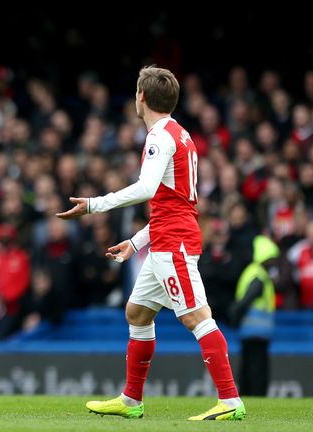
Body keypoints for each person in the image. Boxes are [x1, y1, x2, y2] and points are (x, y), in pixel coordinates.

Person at [57, 66, 245, 421]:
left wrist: (95, 205)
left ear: (141, 97)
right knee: (137, 313)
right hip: (164, 236)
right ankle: (131, 400)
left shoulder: (159, 136)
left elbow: (146, 189)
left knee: (195, 316)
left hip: (173, 242)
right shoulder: (182, 134)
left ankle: (231, 400)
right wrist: (135, 241)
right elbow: (174, 200)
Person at [229, 235, 278, 396]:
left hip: (250, 331)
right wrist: (235, 314)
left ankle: (246, 395)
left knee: (248, 366)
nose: (274, 263)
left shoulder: (252, 272)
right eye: (271, 259)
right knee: (256, 369)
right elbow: (246, 300)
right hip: (256, 331)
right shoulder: (259, 275)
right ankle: (255, 395)